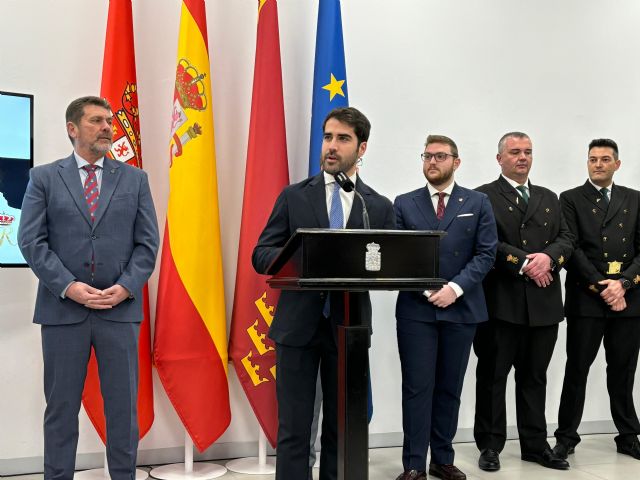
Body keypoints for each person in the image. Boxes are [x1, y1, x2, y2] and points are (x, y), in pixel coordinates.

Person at [18, 96, 159, 480]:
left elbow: (148, 244)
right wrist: (68, 286)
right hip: (63, 311)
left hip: (119, 311)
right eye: (97, 121)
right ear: (72, 129)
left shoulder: (135, 179)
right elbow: (31, 241)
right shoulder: (44, 178)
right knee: (61, 408)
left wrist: (127, 287)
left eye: (109, 121)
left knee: (122, 409)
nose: (107, 128)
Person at [252, 107, 395, 480]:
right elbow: (262, 254)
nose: (332, 146)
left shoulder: (376, 206)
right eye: (328, 137)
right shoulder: (294, 196)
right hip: (298, 327)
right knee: (295, 427)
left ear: (361, 147)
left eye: (343, 139)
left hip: (349, 329)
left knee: (342, 426)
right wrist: (304, 259)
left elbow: (393, 264)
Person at [393, 135, 498, 480]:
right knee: (417, 386)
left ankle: (442, 458)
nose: (432, 162)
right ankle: (413, 464)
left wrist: (454, 288)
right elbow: (398, 257)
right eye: (427, 156)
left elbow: (486, 254)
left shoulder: (478, 201)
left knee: (449, 387)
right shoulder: (405, 203)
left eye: (440, 156)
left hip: (462, 308)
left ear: (456, 162)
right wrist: (428, 288)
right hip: (416, 310)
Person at [473, 131, 574, 471]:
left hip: (543, 306)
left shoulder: (549, 197)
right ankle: (490, 445)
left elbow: (566, 239)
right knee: (492, 377)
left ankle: (534, 444)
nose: (522, 158)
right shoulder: (483, 197)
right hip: (501, 304)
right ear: (499, 158)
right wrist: (527, 263)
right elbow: (487, 243)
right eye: (515, 152)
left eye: (528, 152)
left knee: (534, 377)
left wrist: (549, 258)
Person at [553, 138, 640, 460]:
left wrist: (625, 284)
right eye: (593, 159)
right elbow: (572, 248)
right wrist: (603, 287)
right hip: (586, 299)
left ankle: (629, 435)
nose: (598, 164)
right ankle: (566, 437)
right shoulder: (571, 199)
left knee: (623, 371)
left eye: (605, 159)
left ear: (617, 164)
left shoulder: (635, 199)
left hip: (629, 301)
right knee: (577, 370)